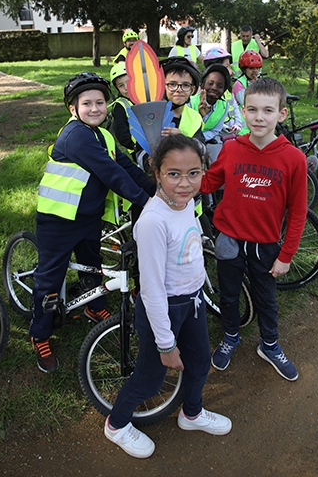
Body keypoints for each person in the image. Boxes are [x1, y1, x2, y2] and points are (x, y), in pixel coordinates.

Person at [104, 134, 232, 459]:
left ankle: (192, 413)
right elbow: (152, 289)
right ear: (156, 172)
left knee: (200, 363)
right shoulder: (152, 222)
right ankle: (117, 424)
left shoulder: (186, 203)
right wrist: (166, 343)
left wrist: (199, 284)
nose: (185, 183)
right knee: (149, 380)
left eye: (194, 173)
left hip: (192, 301)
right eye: (174, 174)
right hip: (163, 310)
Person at [30, 73, 155, 373]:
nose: (95, 108)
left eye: (100, 102)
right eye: (87, 103)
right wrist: (146, 201)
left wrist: (156, 189)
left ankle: (92, 304)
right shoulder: (75, 136)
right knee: (50, 277)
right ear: (73, 109)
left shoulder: (105, 135)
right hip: (58, 221)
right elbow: (110, 173)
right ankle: (40, 333)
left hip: (87, 217)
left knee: (91, 263)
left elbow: (126, 167)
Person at [200, 77, 307, 382]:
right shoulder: (232, 149)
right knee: (230, 295)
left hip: (266, 245)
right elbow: (210, 182)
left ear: (281, 114)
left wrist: (286, 255)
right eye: (253, 110)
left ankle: (270, 345)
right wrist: (181, 176)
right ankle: (231, 336)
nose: (260, 117)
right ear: (243, 112)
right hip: (229, 240)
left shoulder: (294, 159)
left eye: (268, 111)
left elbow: (298, 212)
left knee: (266, 299)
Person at [190, 63, 242, 162]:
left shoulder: (224, 106)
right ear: (202, 85)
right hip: (188, 139)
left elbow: (215, 130)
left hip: (207, 138)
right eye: (210, 83)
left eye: (220, 86)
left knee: (216, 160)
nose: (214, 87)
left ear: (223, 90)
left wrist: (201, 139)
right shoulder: (191, 102)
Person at [108, 62, 136, 159]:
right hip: (137, 148)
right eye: (121, 85)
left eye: (128, 82)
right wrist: (132, 145)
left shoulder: (146, 97)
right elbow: (120, 130)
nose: (126, 88)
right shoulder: (120, 106)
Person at [233, 50, 263, 134]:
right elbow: (247, 103)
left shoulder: (260, 82)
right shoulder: (239, 84)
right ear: (244, 69)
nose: (255, 71)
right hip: (243, 128)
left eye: (257, 68)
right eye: (251, 68)